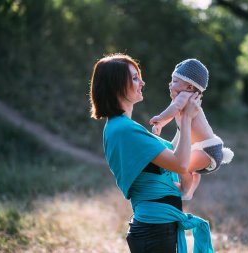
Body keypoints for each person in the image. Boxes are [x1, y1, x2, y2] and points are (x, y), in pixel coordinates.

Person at [89, 53, 214, 253]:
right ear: (116, 85)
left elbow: (176, 162)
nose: (142, 82)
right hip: (154, 231)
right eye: (135, 78)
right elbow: (181, 164)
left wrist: (183, 120)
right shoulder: (124, 130)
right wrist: (188, 118)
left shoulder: (125, 127)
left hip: (158, 228)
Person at [149, 59, 234, 200]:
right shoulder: (184, 97)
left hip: (208, 150)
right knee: (193, 171)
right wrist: (161, 124)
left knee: (183, 168)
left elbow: (173, 109)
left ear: (189, 87)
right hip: (204, 148)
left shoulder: (185, 96)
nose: (171, 84)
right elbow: (173, 112)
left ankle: (184, 190)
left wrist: (159, 116)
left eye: (175, 81)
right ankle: (191, 191)